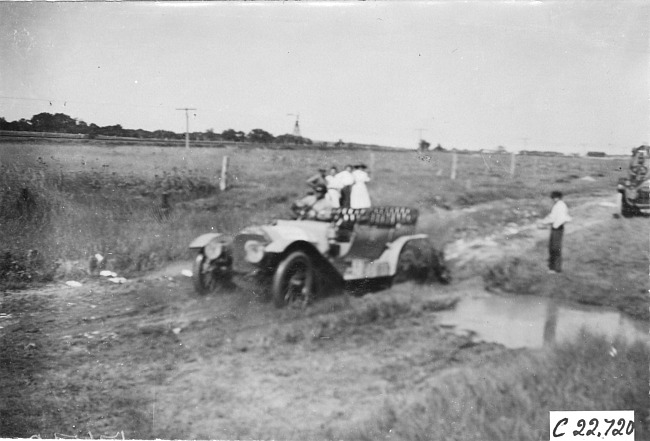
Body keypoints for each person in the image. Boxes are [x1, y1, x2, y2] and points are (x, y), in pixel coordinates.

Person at [539, 191, 571, 274]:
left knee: (555, 248)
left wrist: (543, 222)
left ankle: (556, 269)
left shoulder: (559, 206)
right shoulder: (560, 205)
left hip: (557, 228)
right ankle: (553, 268)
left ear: (557, 198)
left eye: (554, 198)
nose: (554, 199)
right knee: (554, 248)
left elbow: (553, 217)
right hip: (557, 227)